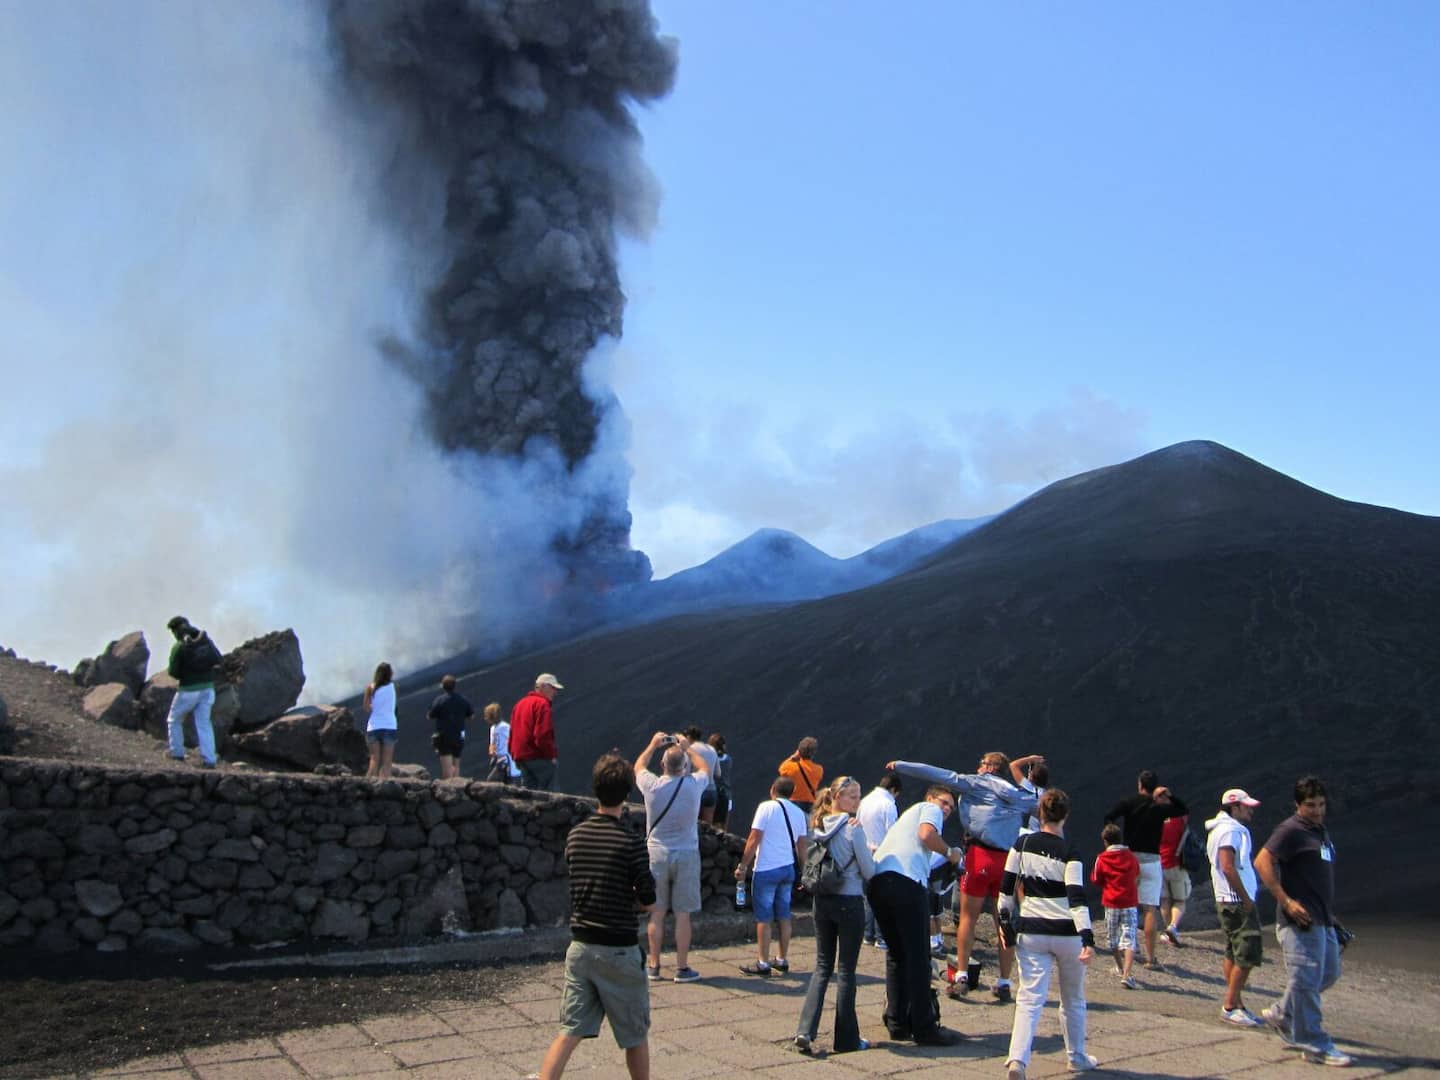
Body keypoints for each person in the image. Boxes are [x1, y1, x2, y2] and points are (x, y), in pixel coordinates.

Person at [535, 753, 656, 1080]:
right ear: (628, 793)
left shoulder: (575, 835)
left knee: (569, 1030)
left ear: (596, 789)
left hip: (581, 946)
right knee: (634, 1035)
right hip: (618, 948)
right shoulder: (631, 842)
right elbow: (648, 900)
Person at [890, 752, 1043, 1002]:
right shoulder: (1019, 794)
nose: (978, 766)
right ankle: (1005, 982)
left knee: (968, 918)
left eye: (982, 763)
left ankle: (961, 975)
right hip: (1008, 861)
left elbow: (936, 773)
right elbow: (1044, 808)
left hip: (980, 856)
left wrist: (901, 765)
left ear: (991, 767)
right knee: (1004, 922)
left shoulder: (977, 782)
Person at [1254, 776, 1353, 1067]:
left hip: (1322, 919)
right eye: (1311, 805)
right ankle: (1315, 1044)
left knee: (1328, 973)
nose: (1318, 810)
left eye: (1321, 804)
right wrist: (1285, 900)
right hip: (1298, 921)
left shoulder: (1320, 831)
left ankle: (1283, 1014)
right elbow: (1262, 861)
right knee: (1306, 980)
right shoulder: (1291, 830)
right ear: (1298, 805)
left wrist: (1331, 917)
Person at [1000, 788, 1099, 1079]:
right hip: (1067, 932)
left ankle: (1017, 1060)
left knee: (1029, 998)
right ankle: (1077, 1057)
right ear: (1065, 816)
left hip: (1032, 929)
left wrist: (1005, 922)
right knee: (1073, 999)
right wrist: (1088, 938)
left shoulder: (1022, 843)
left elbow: (1006, 887)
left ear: (1039, 814)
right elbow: (1076, 896)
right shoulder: (1071, 852)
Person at [867, 784, 964, 1046]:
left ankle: (897, 1023)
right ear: (930, 798)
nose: (946, 809)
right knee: (920, 957)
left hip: (879, 883)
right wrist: (951, 853)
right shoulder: (927, 810)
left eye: (951, 808)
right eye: (944, 802)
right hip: (906, 885)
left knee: (897, 955)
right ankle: (925, 1027)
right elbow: (926, 835)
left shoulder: (904, 821)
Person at [794, 776, 875, 1055]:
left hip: (821, 901)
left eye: (858, 795)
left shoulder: (816, 825)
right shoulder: (854, 830)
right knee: (846, 971)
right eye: (852, 796)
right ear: (838, 797)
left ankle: (805, 1030)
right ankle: (847, 1039)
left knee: (822, 966)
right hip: (849, 901)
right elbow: (869, 871)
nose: (857, 801)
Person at [634, 731, 709, 983]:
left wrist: (652, 744)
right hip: (687, 853)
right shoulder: (694, 785)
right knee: (683, 914)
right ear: (684, 766)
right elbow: (705, 768)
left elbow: (638, 766)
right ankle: (682, 967)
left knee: (656, 912)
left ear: (663, 765)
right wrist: (688, 748)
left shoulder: (652, 786)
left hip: (656, 853)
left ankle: (654, 965)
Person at [1104, 770, 1188, 968]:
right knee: (1149, 908)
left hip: (1129, 858)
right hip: (1152, 860)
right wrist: (1169, 796)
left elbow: (1109, 816)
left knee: (1128, 906)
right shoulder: (1159, 808)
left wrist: (1111, 844)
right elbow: (1182, 809)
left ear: (1139, 784)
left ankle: (1128, 952)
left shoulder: (1128, 802)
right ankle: (1151, 959)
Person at [734, 775, 808, 977]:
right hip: (787, 869)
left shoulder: (766, 808)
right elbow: (802, 846)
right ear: (792, 793)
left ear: (772, 789)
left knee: (764, 918)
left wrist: (743, 865)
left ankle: (763, 963)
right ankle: (782, 960)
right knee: (784, 915)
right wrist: (805, 871)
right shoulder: (799, 813)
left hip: (766, 869)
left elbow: (754, 838)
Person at [1204, 787, 1264, 1028]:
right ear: (1234, 807)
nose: (1250, 810)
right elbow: (1228, 866)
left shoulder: (1222, 829)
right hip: (1236, 901)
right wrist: (1246, 899)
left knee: (1232, 950)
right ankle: (1230, 1006)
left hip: (1229, 899)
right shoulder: (1230, 832)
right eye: (1246, 806)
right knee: (1248, 951)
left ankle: (1236, 1003)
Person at [163, 615, 222, 769]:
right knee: (204, 724)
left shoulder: (179, 647)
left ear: (176, 631)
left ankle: (177, 753)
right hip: (208, 689)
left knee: (174, 719)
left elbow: (173, 672)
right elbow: (218, 658)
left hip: (188, 690)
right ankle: (209, 760)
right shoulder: (204, 639)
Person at [1091, 823, 1140, 989]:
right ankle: (1127, 973)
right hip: (1129, 902)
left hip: (1111, 902)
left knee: (1113, 940)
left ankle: (1120, 968)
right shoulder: (1131, 856)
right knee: (1129, 938)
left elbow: (1096, 879)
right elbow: (1137, 874)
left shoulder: (1102, 858)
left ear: (1105, 841)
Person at [857, 771, 902, 948]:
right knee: (884, 897)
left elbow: (858, 825)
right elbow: (893, 832)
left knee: (868, 896)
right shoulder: (888, 804)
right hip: (882, 852)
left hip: (865, 850)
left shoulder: (865, 800)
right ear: (893, 789)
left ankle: (868, 935)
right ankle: (882, 937)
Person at [511, 673, 563, 790]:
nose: (555, 692)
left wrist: (514, 754)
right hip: (535, 755)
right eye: (553, 688)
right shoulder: (542, 705)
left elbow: (513, 732)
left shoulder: (519, 704)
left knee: (529, 791)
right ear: (543, 687)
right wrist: (551, 756)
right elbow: (542, 735)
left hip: (520, 757)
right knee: (551, 791)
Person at [426, 675, 473, 781]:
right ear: (454, 686)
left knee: (447, 767)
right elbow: (471, 715)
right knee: (456, 765)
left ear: (443, 686)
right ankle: (457, 787)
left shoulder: (439, 700)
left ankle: (449, 789)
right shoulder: (462, 700)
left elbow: (430, 716)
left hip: (444, 736)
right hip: (459, 735)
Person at [1158, 812, 1191, 947]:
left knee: (1164, 899)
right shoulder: (1180, 820)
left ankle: (1168, 932)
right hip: (1176, 864)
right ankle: (1173, 926)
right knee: (1180, 900)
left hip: (1159, 864)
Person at [363, 662, 397, 780]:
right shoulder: (392, 686)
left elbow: (367, 707)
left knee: (374, 759)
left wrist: (376, 707)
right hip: (389, 725)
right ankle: (384, 786)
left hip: (373, 726)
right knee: (387, 761)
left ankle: (368, 784)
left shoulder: (370, 688)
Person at [681, 725, 719, 824]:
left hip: (696, 790)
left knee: (693, 824)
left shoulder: (689, 750)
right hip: (711, 790)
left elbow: (685, 772)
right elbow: (718, 773)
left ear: (688, 737)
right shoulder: (711, 749)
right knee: (708, 827)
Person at [778, 737, 824, 815]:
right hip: (810, 804)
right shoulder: (819, 769)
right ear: (813, 753)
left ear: (799, 751)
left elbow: (781, 769)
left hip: (793, 803)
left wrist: (793, 757)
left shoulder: (789, 767)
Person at [484, 702, 521, 784]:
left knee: (492, 780)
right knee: (506, 781)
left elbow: (514, 738)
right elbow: (492, 742)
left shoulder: (504, 727)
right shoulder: (493, 728)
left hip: (506, 760)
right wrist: (492, 751)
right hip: (498, 759)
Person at [708, 733, 733, 829]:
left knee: (710, 827)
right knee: (723, 829)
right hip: (727, 796)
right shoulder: (729, 759)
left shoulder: (710, 759)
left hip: (714, 795)